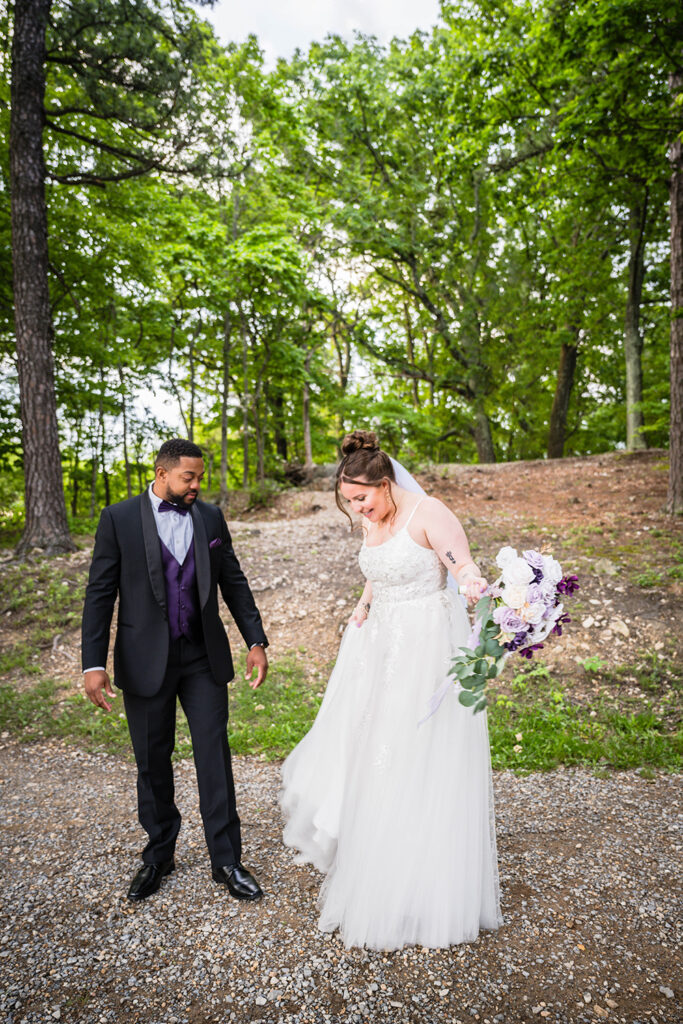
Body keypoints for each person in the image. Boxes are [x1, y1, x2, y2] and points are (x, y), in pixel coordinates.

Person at [280, 431, 502, 950]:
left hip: (424, 649)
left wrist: (471, 580)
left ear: (386, 483)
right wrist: (362, 606)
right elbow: (380, 569)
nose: (358, 510)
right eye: (350, 502)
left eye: (362, 499)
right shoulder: (373, 519)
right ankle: (378, 851)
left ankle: (423, 874)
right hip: (377, 648)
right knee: (372, 750)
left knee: (414, 751)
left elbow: (460, 564)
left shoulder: (430, 512)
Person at [81, 438, 269, 903]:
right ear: (162, 472)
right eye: (189, 477)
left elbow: (234, 581)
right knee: (152, 760)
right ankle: (158, 855)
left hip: (202, 657)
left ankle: (226, 860)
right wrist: (92, 663)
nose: (196, 485)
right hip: (144, 661)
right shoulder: (118, 518)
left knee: (214, 757)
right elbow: (99, 593)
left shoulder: (209, 517)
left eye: (200, 477)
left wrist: (256, 640)